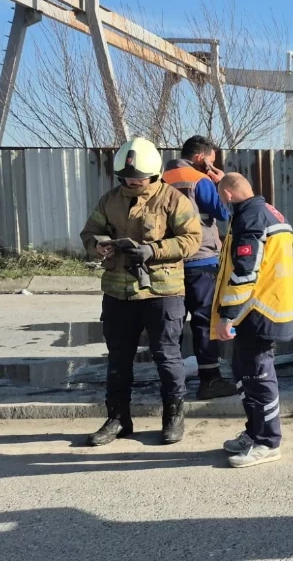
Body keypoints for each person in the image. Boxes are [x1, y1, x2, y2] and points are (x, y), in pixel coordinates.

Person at [79, 137, 202, 446]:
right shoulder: (110, 199)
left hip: (162, 293)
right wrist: (98, 245)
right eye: (127, 178)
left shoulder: (173, 200)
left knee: (167, 356)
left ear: (154, 174)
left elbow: (192, 239)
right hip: (118, 293)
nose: (132, 182)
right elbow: (88, 232)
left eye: (138, 178)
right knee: (118, 358)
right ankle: (118, 419)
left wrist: (153, 250)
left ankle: (173, 416)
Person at [211, 173, 293, 469]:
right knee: (246, 373)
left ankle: (268, 442)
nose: (221, 202)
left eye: (222, 196)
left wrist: (226, 316)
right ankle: (255, 432)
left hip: (256, 311)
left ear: (229, 196)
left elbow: (246, 271)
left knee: (258, 377)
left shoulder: (250, 218)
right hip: (261, 308)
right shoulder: (263, 209)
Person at [162, 135, 234, 400]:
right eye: (211, 161)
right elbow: (224, 213)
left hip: (168, 262)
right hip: (201, 260)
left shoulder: (160, 179)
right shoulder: (199, 179)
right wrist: (221, 181)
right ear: (201, 157)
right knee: (204, 322)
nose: (212, 166)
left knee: (172, 324)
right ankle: (210, 381)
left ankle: (172, 385)